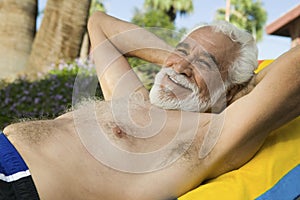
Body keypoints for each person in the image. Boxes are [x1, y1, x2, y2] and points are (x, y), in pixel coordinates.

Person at [1, 11, 299, 200]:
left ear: (232, 90)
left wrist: (244, 89)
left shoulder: (212, 136)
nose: (181, 65)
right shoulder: (133, 98)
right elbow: (99, 25)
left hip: (20, 187)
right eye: (181, 51)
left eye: (206, 64)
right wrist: (179, 59)